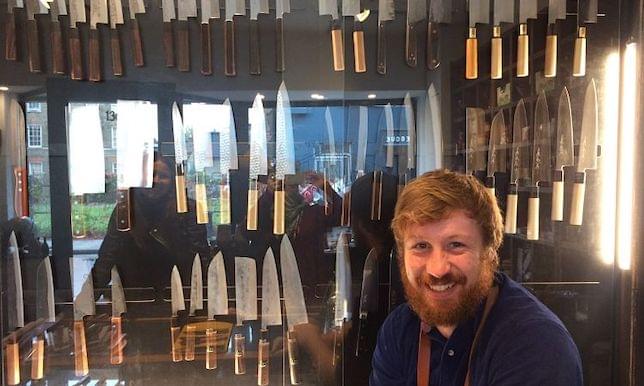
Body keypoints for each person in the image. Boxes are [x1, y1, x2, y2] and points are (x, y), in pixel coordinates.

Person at [370, 169, 583, 385]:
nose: (437, 269)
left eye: (456, 245)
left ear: (489, 251)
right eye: (421, 246)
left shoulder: (536, 343)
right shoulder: (398, 331)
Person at [92, 153, 211, 293]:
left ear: (173, 181)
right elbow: (108, 256)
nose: (156, 180)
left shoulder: (189, 209)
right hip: (136, 293)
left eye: (163, 176)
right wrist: (87, 299)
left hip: (181, 291)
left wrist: (207, 297)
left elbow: (200, 255)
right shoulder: (125, 209)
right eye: (150, 175)